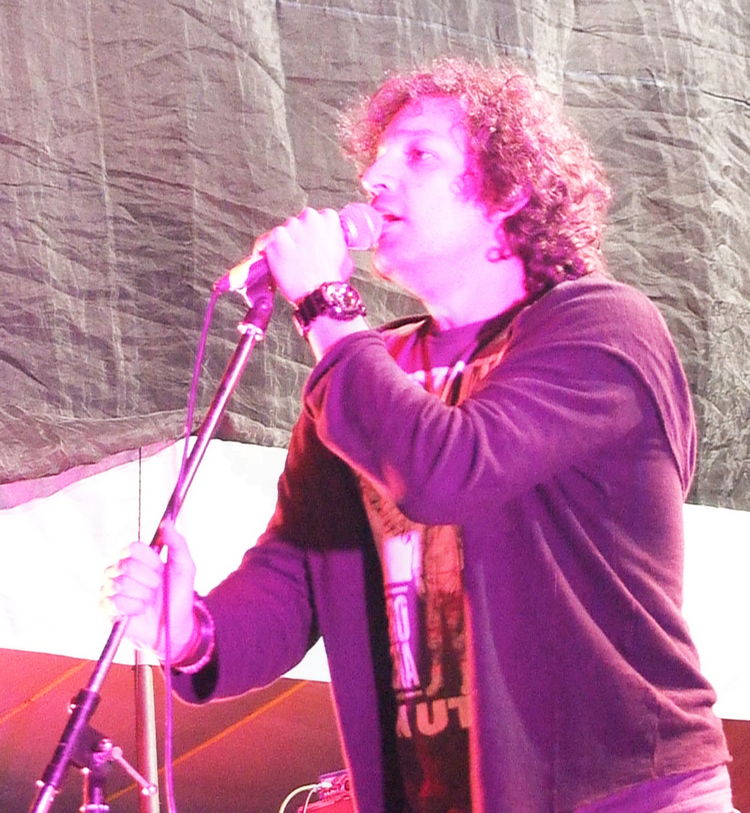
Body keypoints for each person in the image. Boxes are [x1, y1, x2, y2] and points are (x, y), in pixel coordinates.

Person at [103, 58, 734, 812]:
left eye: (419, 155)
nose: (375, 179)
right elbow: (296, 576)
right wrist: (189, 631)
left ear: (509, 189)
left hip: (625, 792)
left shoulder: (601, 326)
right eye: (375, 160)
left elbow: (450, 470)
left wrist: (327, 305)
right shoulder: (368, 371)